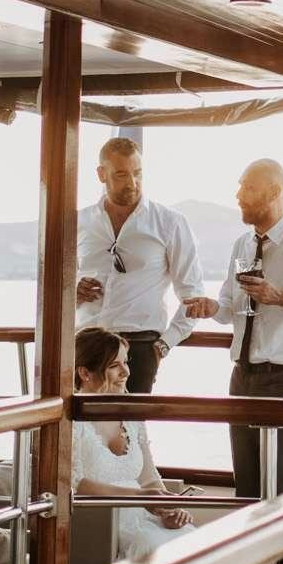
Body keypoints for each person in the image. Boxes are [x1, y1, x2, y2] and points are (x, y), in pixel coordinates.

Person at [180, 159, 283, 498]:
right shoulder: (242, 246)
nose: (238, 195)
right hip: (242, 375)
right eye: (240, 186)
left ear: (275, 192)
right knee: (246, 487)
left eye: (248, 187)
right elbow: (231, 307)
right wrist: (212, 307)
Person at [68, 328, 196, 564]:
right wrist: (139, 499)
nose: (127, 372)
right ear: (86, 373)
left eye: (126, 363)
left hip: (139, 511)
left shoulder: (132, 415)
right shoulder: (73, 420)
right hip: (97, 522)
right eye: (116, 366)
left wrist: (166, 505)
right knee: (152, 549)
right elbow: (75, 483)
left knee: (187, 536)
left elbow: (150, 478)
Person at [74, 137, 204, 394]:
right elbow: (54, 285)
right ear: (101, 174)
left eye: (137, 173)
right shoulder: (78, 221)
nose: (132, 183)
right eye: (121, 174)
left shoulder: (170, 222)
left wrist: (164, 345)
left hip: (140, 348)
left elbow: (193, 296)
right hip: (86, 344)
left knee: (130, 432)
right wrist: (72, 291)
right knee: (81, 431)